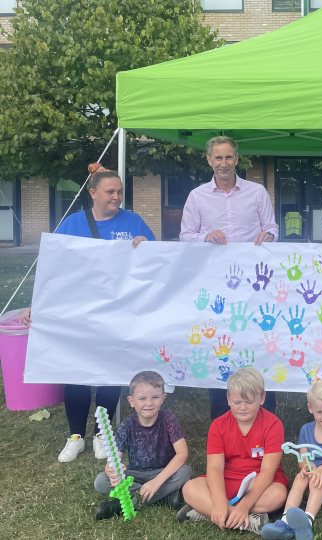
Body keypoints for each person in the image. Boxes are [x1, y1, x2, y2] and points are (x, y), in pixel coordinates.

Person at [21, 163, 154, 463]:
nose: (116, 197)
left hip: (119, 312)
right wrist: (37, 303)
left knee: (110, 375)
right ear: (92, 193)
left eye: (120, 192)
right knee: (77, 373)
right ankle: (75, 436)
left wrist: (147, 248)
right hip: (78, 313)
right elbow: (53, 270)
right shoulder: (72, 224)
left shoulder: (134, 222)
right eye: (110, 192)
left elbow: (155, 265)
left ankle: (101, 435)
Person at [179, 135, 279, 420]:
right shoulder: (197, 196)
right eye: (218, 158)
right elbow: (186, 236)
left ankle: (264, 413)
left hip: (253, 286)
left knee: (256, 344)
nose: (224, 163)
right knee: (220, 344)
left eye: (228, 157)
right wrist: (204, 237)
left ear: (237, 159)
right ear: (209, 160)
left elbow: (272, 227)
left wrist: (269, 235)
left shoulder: (257, 192)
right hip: (215, 288)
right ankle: (222, 414)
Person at [177, 368, 288, 534]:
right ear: (228, 399)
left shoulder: (273, 424)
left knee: (278, 495)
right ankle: (247, 521)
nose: (243, 407)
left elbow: (268, 470)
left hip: (260, 483)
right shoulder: (218, 425)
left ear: (262, 398)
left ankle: (207, 511)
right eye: (237, 402)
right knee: (190, 488)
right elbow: (215, 468)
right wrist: (221, 502)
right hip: (227, 479)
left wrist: (244, 504)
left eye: (249, 402)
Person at [261, 380, 322, 540]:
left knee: (315, 480)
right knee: (301, 476)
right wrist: (306, 466)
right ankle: (285, 522)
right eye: (320, 412)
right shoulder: (306, 429)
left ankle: (307, 521)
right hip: (311, 478)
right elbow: (301, 461)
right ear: (310, 408)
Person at [94, 371, 191, 519]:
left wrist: (156, 482)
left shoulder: (168, 419)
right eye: (142, 398)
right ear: (131, 401)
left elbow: (182, 453)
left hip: (163, 473)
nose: (149, 403)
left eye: (155, 397)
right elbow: (114, 460)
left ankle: (125, 504)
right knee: (101, 481)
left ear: (163, 398)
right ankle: (165, 498)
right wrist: (111, 471)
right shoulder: (127, 425)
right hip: (135, 476)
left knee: (185, 472)